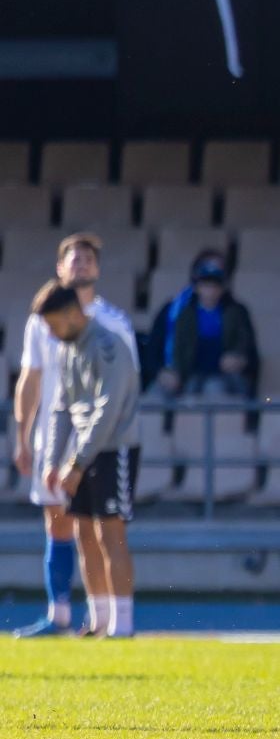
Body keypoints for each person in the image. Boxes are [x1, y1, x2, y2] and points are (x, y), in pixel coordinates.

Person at [11, 234, 137, 639]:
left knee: (108, 529)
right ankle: (82, 617)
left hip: (106, 444)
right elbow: (47, 391)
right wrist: (39, 448)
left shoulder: (110, 330)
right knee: (75, 527)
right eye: (72, 259)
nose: (80, 266)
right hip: (65, 445)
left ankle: (122, 624)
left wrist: (78, 459)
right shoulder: (54, 333)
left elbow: (113, 399)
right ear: (59, 267)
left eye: (88, 259)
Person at [155, 256, 258, 399]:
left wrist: (238, 358)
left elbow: (244, 344)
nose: (210, 290)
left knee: (214, 389)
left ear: (222, 288)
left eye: (215, 285)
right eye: (205, 284)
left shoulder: (236, 313)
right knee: (176, 392)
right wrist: (172, 371)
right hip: (191, 373)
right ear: (196, 287)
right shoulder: (183, 313)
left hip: (223, 375)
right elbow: (176, 346)